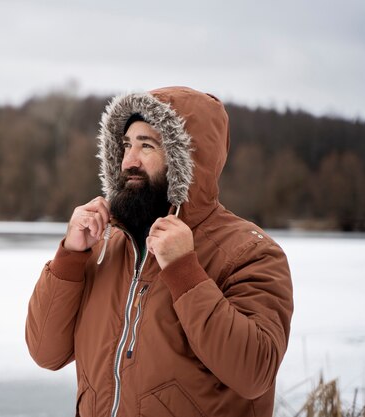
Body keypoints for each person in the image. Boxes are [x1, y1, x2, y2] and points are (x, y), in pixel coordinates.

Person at [25, 86, 294, 417]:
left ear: (187, 161)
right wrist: (69, 257)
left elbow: (255, 373)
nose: (129, 161)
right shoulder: (105, 243)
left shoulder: (251, 251)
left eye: (147, 146)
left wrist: (184, 270)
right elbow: (45, 353)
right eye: (126, 145)